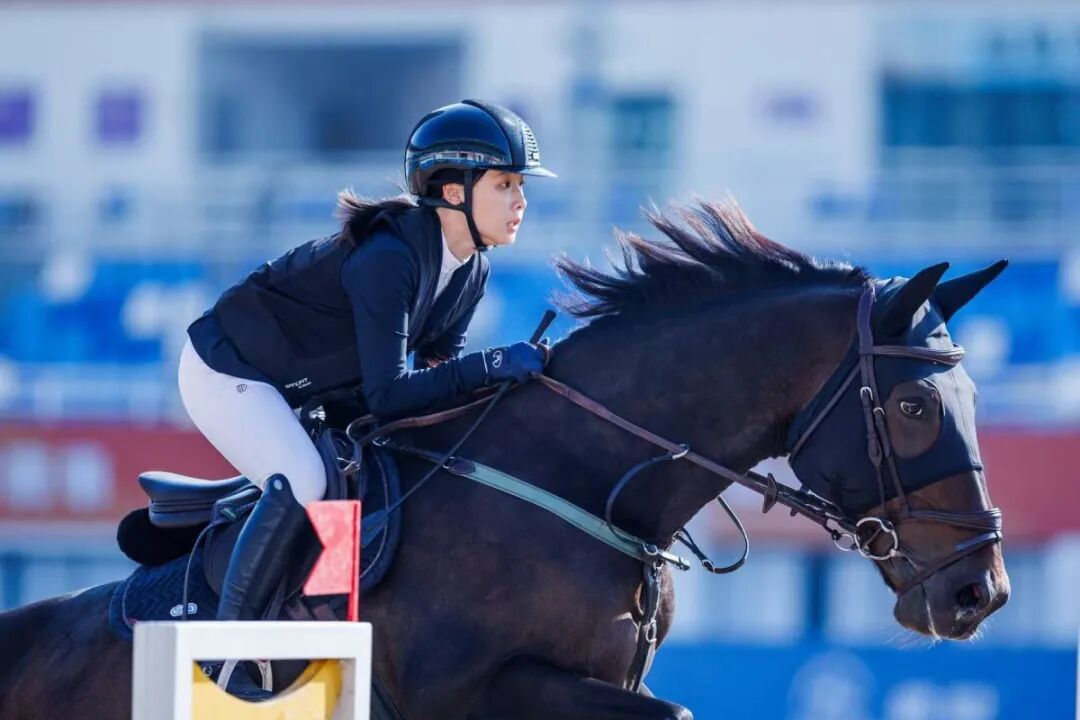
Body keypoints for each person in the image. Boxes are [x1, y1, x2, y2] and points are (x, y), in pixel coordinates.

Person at [177, 99, 556, 621]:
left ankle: (324, 618)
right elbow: (389, 394)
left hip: (313, 389)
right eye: (505, 184)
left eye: (522, 186)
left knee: (364, 480)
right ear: (453, 192)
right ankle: (230, 641)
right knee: (305, 479)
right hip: (228, 369)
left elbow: (436, 374)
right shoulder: (389, 258)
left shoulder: (473, 270)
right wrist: (489, 366)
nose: (521, 201)